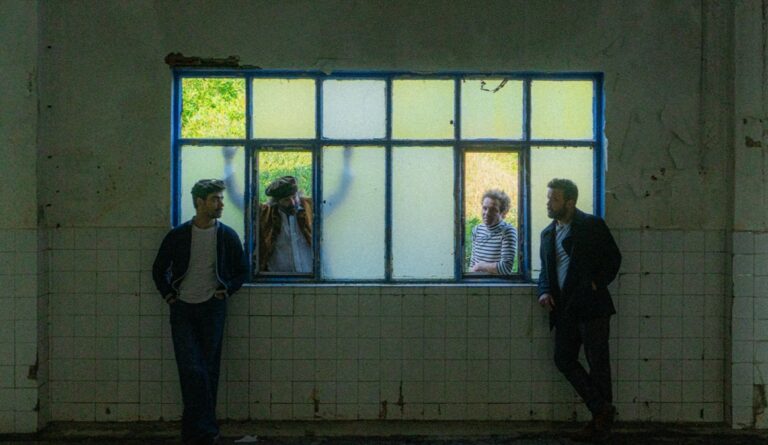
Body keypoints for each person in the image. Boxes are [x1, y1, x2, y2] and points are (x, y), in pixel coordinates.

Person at [152, 179, 247, 445]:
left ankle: (197, 432)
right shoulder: (178, 235)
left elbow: (242, 271)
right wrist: (169, 295)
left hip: (212, 308)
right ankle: (204, 430)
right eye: (215, 199)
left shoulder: (226, 235)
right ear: (199, 202)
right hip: (182, 308)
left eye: (221, 199)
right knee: (192, 369)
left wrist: (226, 290)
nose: (221, 204)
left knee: (207, 369)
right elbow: (158, 269)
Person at [537, 178, 621, 442]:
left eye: (554, 199)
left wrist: (596, 282)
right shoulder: (547, 234)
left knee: (598, 364)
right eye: (548, 198)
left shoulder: (591, 225)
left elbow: (614, 258)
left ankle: (600, 424)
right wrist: (544, 290)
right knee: (563, 359)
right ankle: (602, 410)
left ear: (570, 202)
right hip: (565, 309)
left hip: (592, 307)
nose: (548, 203)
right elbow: (545, 271)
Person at [258, 175, 313, 273]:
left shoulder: (310, 207)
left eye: (294, 197)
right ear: (277, 202)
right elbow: (243, 203)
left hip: (310, 275)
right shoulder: (267, 214)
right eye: (286, 200)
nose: (292, 203)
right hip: (277, 277)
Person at [469, 189, 518, 275]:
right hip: (476, 281)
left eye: (493, 210)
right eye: (484, 208)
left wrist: (480, 266)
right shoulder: (477, 230)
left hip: (496, 282)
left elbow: (506, 268)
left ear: (503, 213)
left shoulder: (508, 232)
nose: (487, 213)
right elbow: (472, 263)